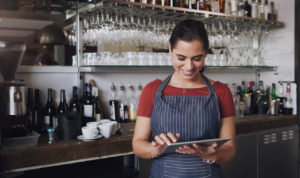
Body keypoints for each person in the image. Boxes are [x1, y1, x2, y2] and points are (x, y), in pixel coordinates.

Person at [132, 19, 236, 178]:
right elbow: (138, 144)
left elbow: (230, 149)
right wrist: (155, 149)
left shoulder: (221, 91)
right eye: (181, 58)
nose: (189, 67)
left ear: (206, 52)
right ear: (170, 49)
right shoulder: (151, 90)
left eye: (197, 58)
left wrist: (212, 155)